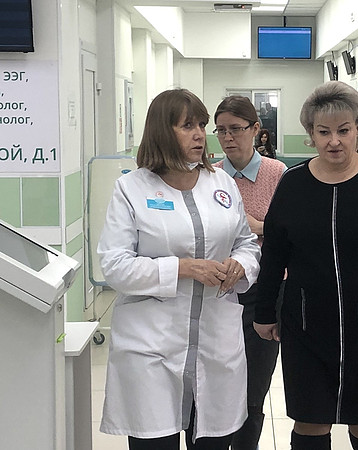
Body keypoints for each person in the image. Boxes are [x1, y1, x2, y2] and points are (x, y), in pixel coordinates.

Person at [97, 88, 261, 450]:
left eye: (201, 125)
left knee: (214, 440)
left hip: (216, 343)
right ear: (162, 131)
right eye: (188, 126)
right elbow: (115, 266)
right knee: (155, 440)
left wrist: (241, 264)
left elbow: (246, 243)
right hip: (151, 347)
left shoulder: (221, 184)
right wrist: (183, 269)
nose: (200, 134)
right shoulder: (131, 189)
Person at [254, 81, 358, 450]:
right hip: (306, 323)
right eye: (323, 132)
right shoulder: (293, 183)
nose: (334, 141)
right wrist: (264, 311)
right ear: (311, 134)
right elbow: (274, 253)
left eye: (343, 130)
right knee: (311, 420)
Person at [212, 95, 287, 450]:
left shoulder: (277, 174)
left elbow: (290, 232)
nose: (228, 138)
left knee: (254, 388)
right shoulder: (209, 175)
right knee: (216, 385)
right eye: (221, 130)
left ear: (256, 129)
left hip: (265, 291)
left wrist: (257, 226)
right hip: (220, 290)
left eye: (236, 129)